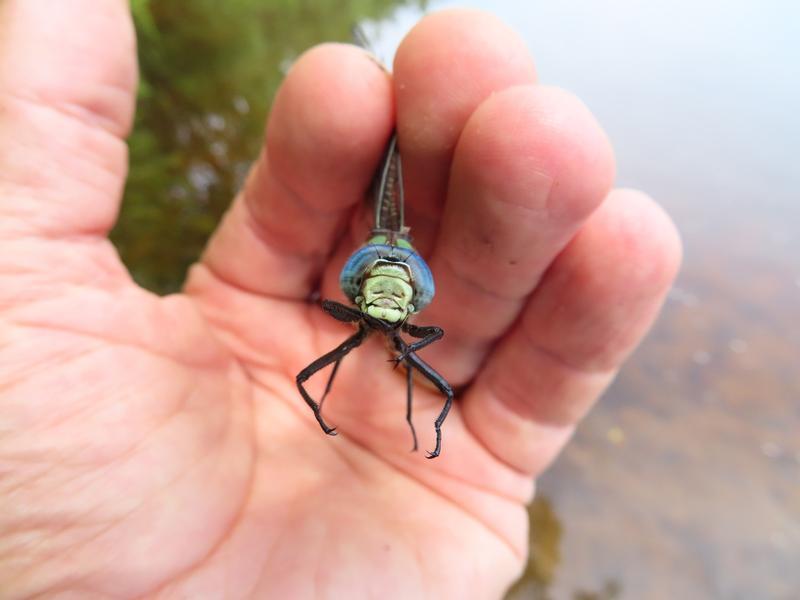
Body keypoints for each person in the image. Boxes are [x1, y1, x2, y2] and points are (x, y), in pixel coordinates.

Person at [0, 1, 681, 597]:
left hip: (383, 269)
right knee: (423, 368)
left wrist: (346, 390)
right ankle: (375, 86)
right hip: (390, 270)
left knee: (387, 162)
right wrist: (421, 399)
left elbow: (344, 362)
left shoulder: (359, 319)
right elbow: (425, 351)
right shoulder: (402, 325)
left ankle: (377, 84)